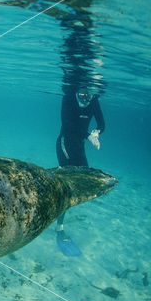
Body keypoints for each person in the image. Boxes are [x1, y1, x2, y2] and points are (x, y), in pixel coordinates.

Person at [54, 85, 104, 255]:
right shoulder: (68, 97)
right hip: (65, 144)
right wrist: (87, 135)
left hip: (79, 146)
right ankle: (60, 228)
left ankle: (60, 208)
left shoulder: (93, 100)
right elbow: (67, 124)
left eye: (88, 96)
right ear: (75, 92)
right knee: (68, 186)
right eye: (82, 95)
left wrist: (97, 132)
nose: (85, 99)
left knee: (83, 179)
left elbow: (102, 123)